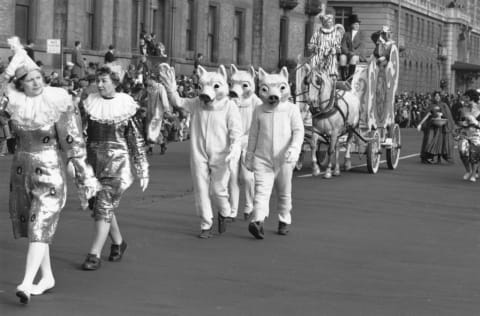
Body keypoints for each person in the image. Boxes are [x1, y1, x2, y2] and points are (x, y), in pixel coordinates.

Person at [0, 42, 99, 304]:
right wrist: (9, 71)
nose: (35, 83)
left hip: (50, 173)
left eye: (37, 77)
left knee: (40, 224)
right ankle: (47, 277)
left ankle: (26, 281)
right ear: (21, 85)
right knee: (34, 228)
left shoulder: (57, 102)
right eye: (29, 80)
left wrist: (85, 179)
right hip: (21, 173)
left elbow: (74, 143)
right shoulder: (15, 104)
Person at [159, 63, 242, 238]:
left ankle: (224, 211)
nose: (206, 92)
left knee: (219, 189)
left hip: (222, 154)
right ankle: (206, 224)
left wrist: (234, 148)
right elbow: (178, 102)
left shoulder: (229, 106)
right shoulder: (197, 103)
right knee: (201, 188)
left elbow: (236, 131)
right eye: (203, 86)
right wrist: (171, 87)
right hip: (199, 153)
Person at [81, 66, 149, 270]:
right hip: (93, 163)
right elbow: (80, 133)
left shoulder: (125, 105)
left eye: (104, 81)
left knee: (103, 205)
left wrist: (142, 166)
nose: (100, 85)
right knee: (100, 206)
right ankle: (119, 242)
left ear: (115, 82)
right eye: (98, 81)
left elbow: (135, 139)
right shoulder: (89, 103)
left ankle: (94, 254)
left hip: (117, 164)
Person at [245, 67, 304, 239]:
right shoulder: (258, 110)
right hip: (262, 158)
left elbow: (298, 131)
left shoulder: (291, 109)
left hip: (284, 158)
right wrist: (249, 155)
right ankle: (258, 221)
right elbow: (253, 134)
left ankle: (284, 219)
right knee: (261, 191)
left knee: (284, 191)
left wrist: (294, 149)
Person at [417, 91, 454, 164]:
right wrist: (420, 124)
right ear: (433, 97)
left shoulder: (444, 105)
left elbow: (448, 116)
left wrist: (443, 116)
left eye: (438, 96)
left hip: (442, 128)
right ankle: (427, 157)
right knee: (429, 141)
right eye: (435, 96)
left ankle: (440, 158)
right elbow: (426, 116)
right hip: (432, 127)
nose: (437, 97)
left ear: (440, 97)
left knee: (441, 142)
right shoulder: (431, 106)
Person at [307, 3, 344, 76]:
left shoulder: (336, 33)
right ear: (324, 23)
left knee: (331, 65)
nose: (330, 23)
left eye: (331, 22)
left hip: (330, 55)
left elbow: (338, 47)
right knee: (313, 64)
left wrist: (335, 49)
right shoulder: (317, 33)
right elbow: (311, 44)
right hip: (318, 54)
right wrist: (314, 47)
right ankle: (312, 78)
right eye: (328, 22)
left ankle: (331, 78)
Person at [340, 14, 364, 81]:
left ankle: (350, 77)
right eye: (355, 24)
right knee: (342, 57)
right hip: (348, 54)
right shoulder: (346, 34)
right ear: (351, 25)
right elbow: (343, 45)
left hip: (357, 55)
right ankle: (343, 77)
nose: (357, 26)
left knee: (353, 58)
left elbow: (362, 46)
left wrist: (354, 53)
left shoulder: (362, 34)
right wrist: (348, 52)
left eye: (358, 24)